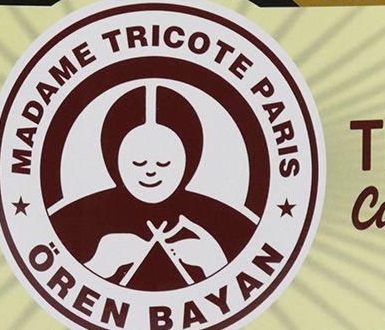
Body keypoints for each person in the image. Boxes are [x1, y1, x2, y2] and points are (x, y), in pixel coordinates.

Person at [49, 82, 257, 291]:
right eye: (138, 163)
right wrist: (97, 267)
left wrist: (215, 264)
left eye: (163, 163)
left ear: (190, 160)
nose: (150, 171)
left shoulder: (231, 223)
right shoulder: (71, 220)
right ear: (112, 158)